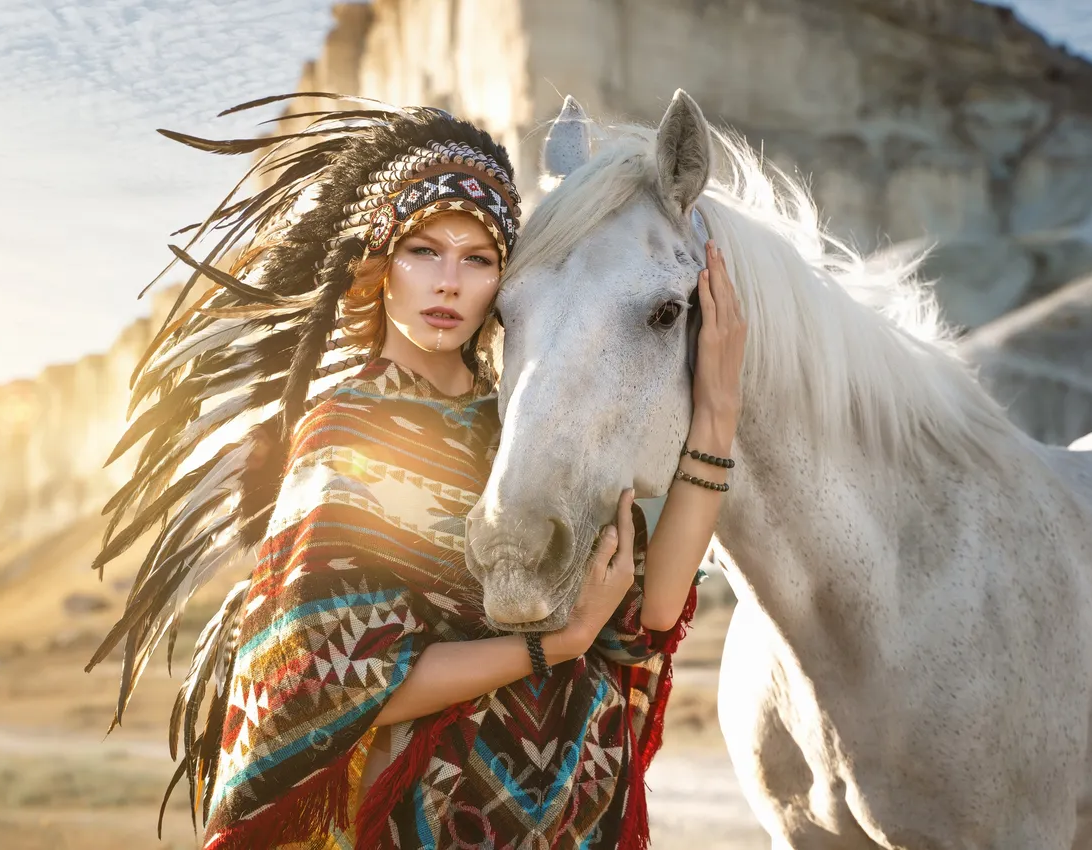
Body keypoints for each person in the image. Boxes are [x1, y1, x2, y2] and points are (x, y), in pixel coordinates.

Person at [86, 94, 746, 850]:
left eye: (479, 260)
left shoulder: (526, 432)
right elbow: (333, 684)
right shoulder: (349, 435)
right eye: (423, 251)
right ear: (380, 266)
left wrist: (716, 411)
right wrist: (553, 646)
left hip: (576, 826)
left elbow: (651, 615)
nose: (448, 282)